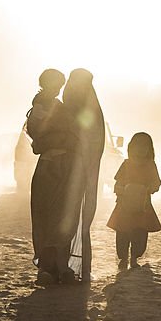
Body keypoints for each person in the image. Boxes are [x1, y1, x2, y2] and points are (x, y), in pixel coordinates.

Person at [26, 68, 75, 286]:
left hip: (57, 164)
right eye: (54, 83)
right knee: (49, 216)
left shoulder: (52, 105)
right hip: (51, 165)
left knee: (58, 216)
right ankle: (48, 267)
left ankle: (57, 267)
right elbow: (40, 135)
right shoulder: (41, 106)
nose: (57, 87)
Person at [63, 68, 105, 282]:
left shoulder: (76, 108)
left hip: (73, 171)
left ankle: (73, 266)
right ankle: (66, 266)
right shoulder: (82, 108)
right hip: (67, 171)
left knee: (75, 218)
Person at [107, 132, 161, 269]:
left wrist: (149, 188)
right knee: (122, 232)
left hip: (143, 205)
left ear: (149, 149)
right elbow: (117, 182)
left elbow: (156, 183)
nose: (140, 150)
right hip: (124, 205)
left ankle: (134, 257)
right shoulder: (126, 164)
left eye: (144, 147)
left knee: (140, 232)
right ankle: (123, 258)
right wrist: (121, 189)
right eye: (138, 146)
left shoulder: (151, 165)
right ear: (131, 147)